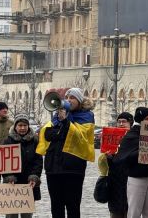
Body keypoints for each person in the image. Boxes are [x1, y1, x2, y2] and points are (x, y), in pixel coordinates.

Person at [36, 88, 95, 218]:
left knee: (72, 205)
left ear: (79, 101)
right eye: (67, 98)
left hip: (73, 169)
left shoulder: (86, 117)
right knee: (56, 206)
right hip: (54, 168)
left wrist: (65, 122)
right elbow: (47, 134)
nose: (68, 100)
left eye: (72, 98)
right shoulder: (57, 117)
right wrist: (61, 123)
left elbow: (80, 137)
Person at [114, 107, 148, 218]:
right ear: (140, 120)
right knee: (134, 212)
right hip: (137, 178)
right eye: (147, 119)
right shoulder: (131, 135)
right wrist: (144, 150)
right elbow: (123, 157)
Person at [3, 114, 43, 218]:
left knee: (27, 215)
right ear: (15, 126)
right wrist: (8, 176)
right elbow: (3, 162)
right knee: (11, 215)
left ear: (28, 126)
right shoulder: (7, 141)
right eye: (20, 125)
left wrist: (34, 176)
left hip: (29, 184)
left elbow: (38, 161)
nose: (22, 128)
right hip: (12, 185)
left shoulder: (35, 141)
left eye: (25, 125)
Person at [98, 112, 134, 218]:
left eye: (124, 121)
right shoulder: (112, 135)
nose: (121, 124)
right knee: (115, 213)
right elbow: (104, 163)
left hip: (130, 181)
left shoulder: (134, 137)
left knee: (130, 212)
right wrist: (107, 155)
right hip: (115, 181)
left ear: (130, 123)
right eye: (119, 122)